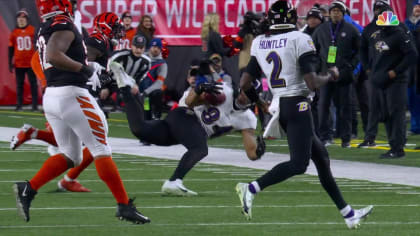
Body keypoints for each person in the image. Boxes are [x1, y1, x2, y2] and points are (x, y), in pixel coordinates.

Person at [234, 1, 372, 229]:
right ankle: (250, 188)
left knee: (322, 159)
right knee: (299, 164)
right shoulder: (299, 39)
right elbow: (311, 82)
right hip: (298, 104)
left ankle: (349, 214)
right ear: (290, 16)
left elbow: (245, 83)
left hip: (283, 105)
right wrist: (331, 75)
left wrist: (259, 102)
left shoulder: (260, 42)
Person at [13, 0, 150, 224]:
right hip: (72, 95)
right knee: (101, 148)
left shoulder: (44, 28)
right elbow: (54, 56)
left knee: (72, 156)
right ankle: (124, 205)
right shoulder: (63, 26)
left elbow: (57, 57)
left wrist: (91, 69)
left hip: (54, 97)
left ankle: (28, 189)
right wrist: (86, 69)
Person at [109, 59, 265, 196]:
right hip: (185, 115)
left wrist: (259, 151)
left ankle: (126, 88)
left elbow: (251, 153)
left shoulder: (248, 118)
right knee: (200, 149)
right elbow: (190, 102)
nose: (244, 95)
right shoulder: (224, 91)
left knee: (140, 129)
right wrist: (199, 91)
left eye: (249, 93)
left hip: (187, 131)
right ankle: (174, 182)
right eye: (245, 91)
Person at [368, 4, 418, 158]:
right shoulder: (378, 34)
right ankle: (393, 146)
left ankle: (398, 148)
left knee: (396, 114)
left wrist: (395, 72)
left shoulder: (400, 34)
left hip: (396, 81)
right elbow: (376, 55)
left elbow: (412, 55)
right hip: (380, 80)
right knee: (385, 115)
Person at [312, 1, 361, 148]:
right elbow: (313, 49)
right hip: (325, 75)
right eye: (333, 10)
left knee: (344, 107)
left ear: (343, 13)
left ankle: (346, 138)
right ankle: (324, 136)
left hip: (343, 75)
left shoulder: (351, 29)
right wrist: (317, 68)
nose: (336, 13)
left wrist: (350, 66)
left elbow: (360, 51)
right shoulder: (321, 30)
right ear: (329, 13)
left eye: (339, 11)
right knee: (323, 106)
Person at [8, 9, 38, 111]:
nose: (21, 20)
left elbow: (38, 46)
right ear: (17, 20)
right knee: (19, 85)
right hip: (19, 63)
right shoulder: (14, 33)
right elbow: (11, 49)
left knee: (33, 84)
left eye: (23, 18)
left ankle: (34, 106)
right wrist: (9, 63)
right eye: (19, 18)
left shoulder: (33, 30)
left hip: (31, 63)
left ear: (27, 20)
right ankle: (19, 105)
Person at [141, 38, 168, 120]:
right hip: (140, 92)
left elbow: (159, 83)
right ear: (150, 47)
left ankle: (157, 116)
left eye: (158, 47)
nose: (155, 49)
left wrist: (146, 91)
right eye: (153, 47)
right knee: (146, 116)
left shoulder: (162, 64)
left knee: (158, 93)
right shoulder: (142, 59)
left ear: (160, 49)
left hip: (150, 93)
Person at [405, 0, 420, 136]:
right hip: (410, 67)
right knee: (412, 97)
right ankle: (415, 126)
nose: (417, 9)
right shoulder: (406, 24)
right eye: (416, 6)